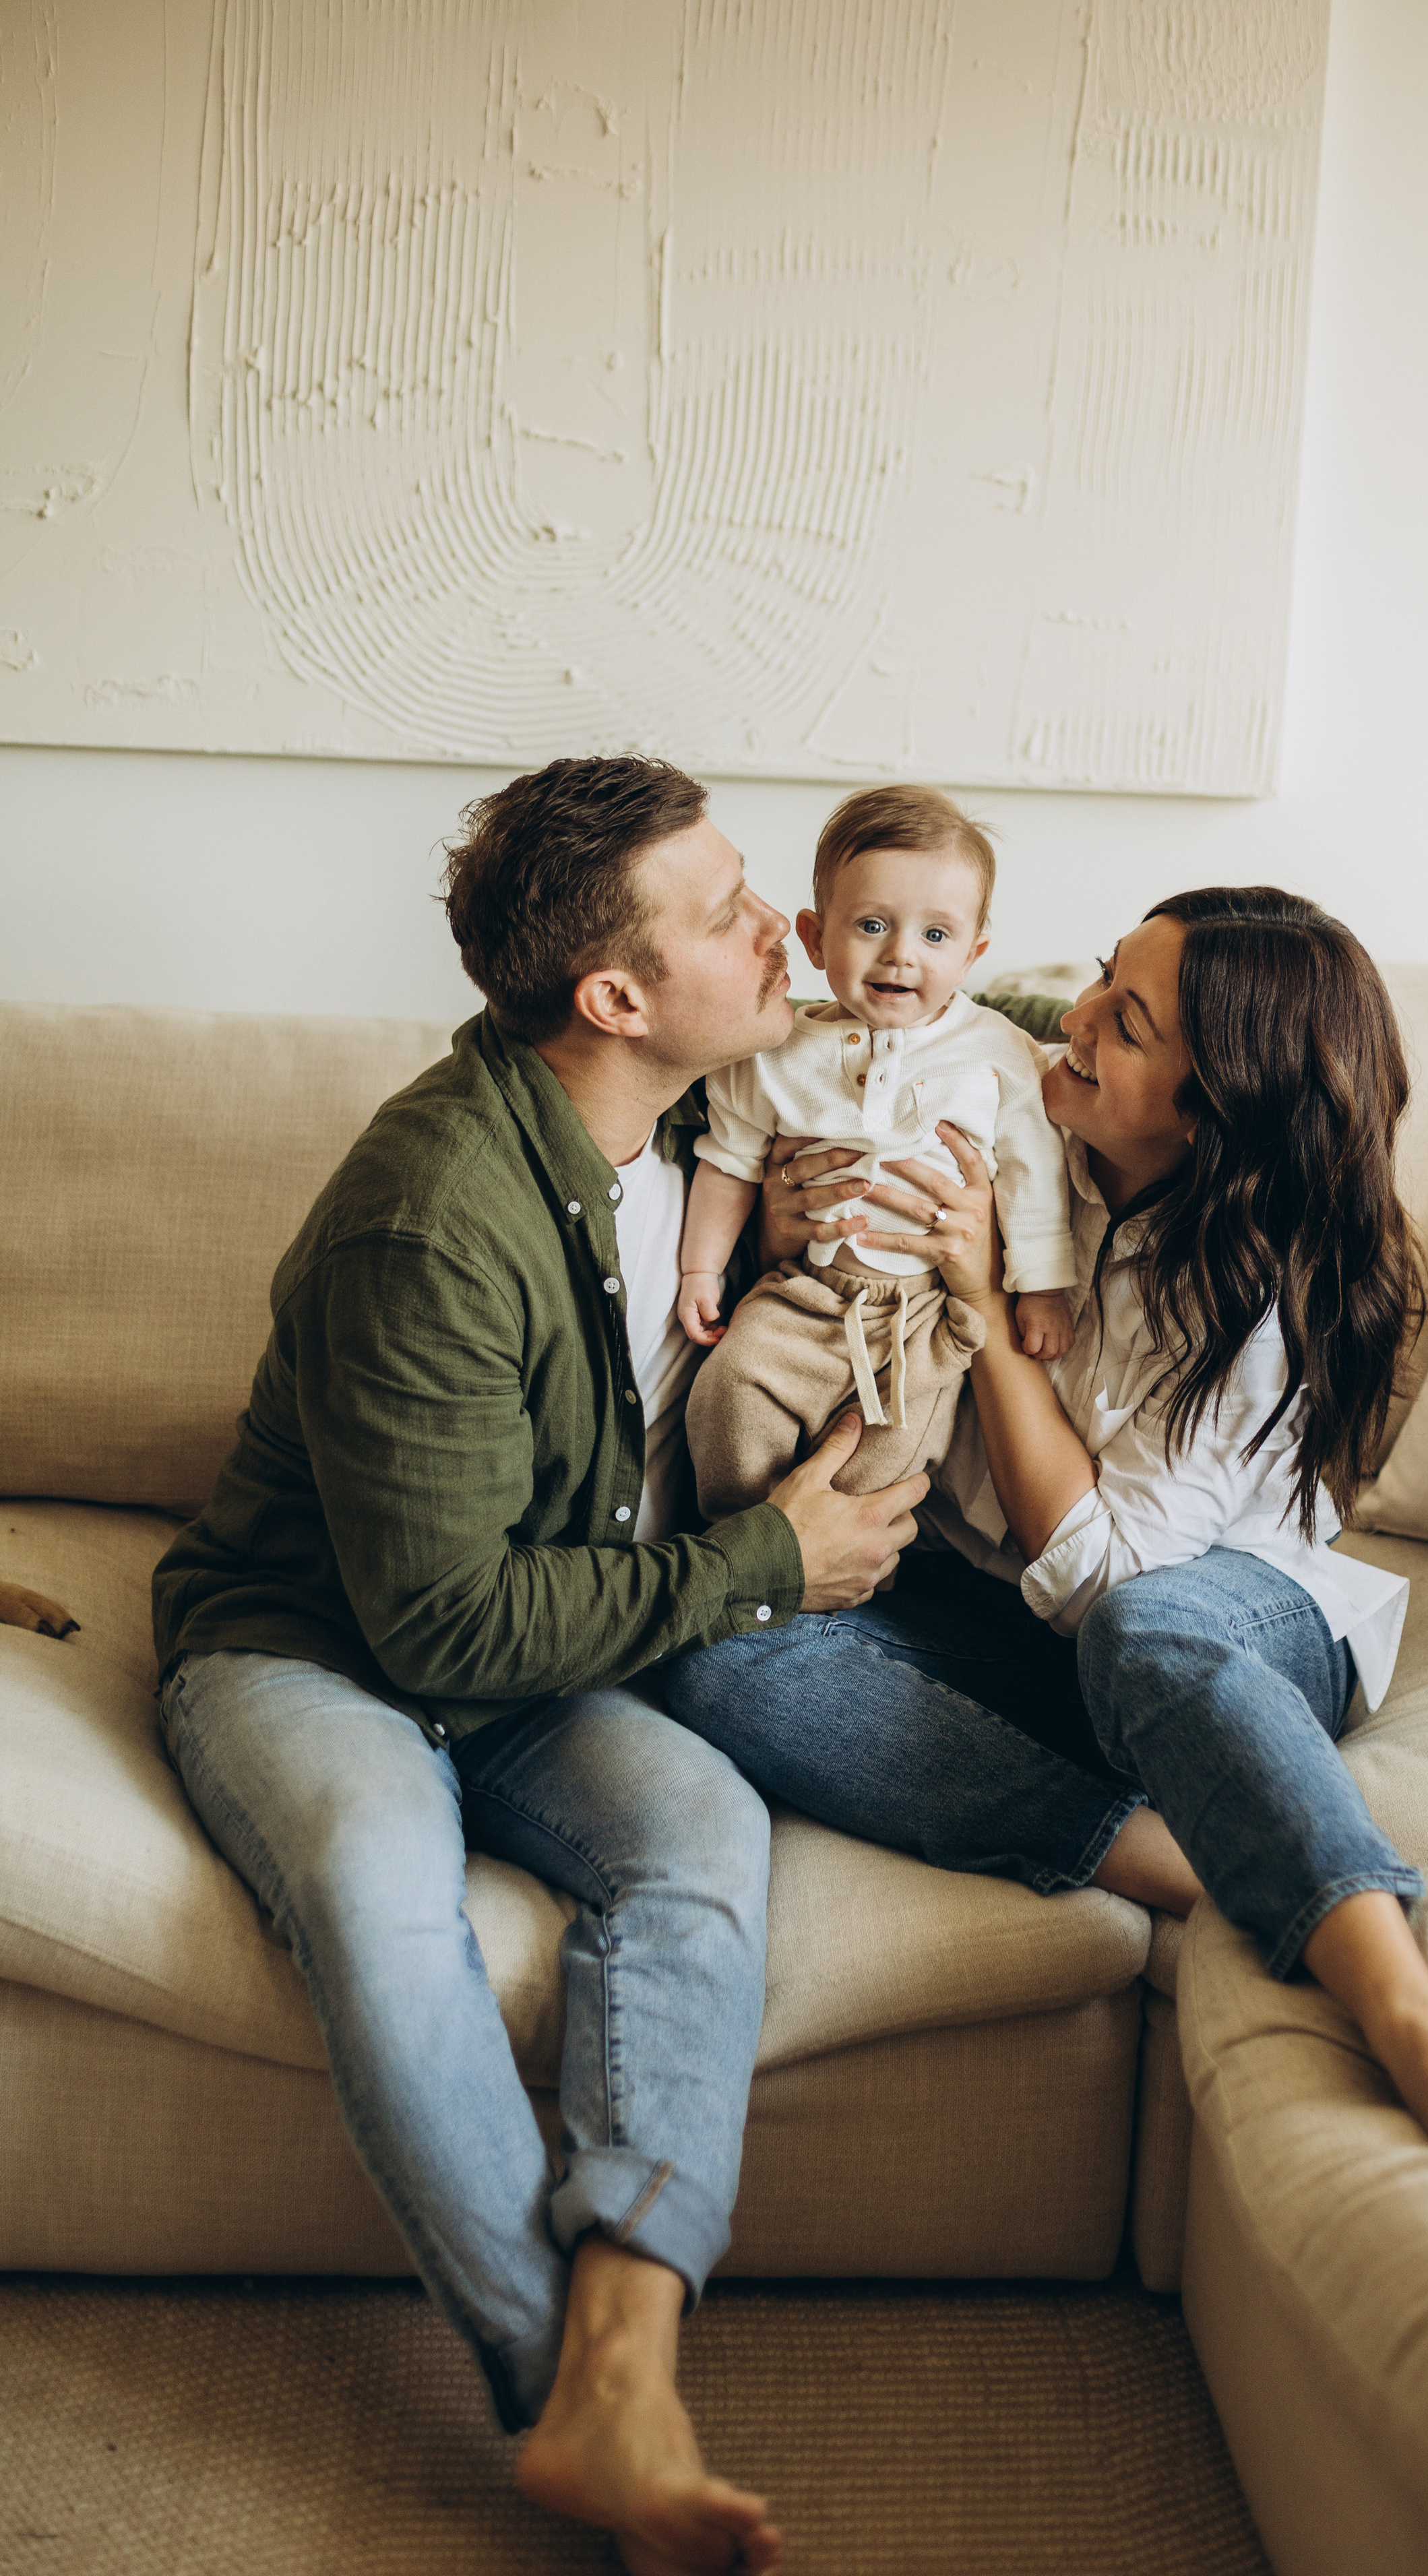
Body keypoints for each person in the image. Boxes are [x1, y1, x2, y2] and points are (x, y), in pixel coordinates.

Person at [150, 755, 933, 2576]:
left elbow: (962, 1021)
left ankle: (625, 2349)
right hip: (312, 1645)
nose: (788, 928)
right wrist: (765, 1566)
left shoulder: (661, 1124)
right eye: (735, 911)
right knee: (372, 1879)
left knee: (700, 1832)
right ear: (616, 998)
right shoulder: (434, 1213)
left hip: (532, 1634)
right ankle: (568, 2392)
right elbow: (437, 1629)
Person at [658, 888, 1428, 2144]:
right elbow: (838, 1084)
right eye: (1099, 979)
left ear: (1215, 1112)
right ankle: (1167, 1852)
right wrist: (780, 1218)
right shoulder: (1010, 1098)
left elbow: (1105, 1580)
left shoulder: (1259, 1293)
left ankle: (1396, 1988)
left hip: (1222, 1624)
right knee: (719, 1649)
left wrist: (982, 1303)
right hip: (1003, 1620)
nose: (1073, 1023)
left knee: (1148, 1628)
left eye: (1126, 1023)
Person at [678, 784, 1076, 1515]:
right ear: (814, 936)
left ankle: (858, 1571)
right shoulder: (771, 1050)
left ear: (973, 952)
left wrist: (1043, 1286)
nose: (900, 955)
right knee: (730, 1393)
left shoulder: (996, 1052)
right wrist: (701, 1266)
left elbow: (1032, 1171)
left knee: (891, 1456)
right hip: (801, 1295)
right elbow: (727, 1159)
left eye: (935, 936)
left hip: (921, 1313)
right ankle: (736, 1542)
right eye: (870, 924)